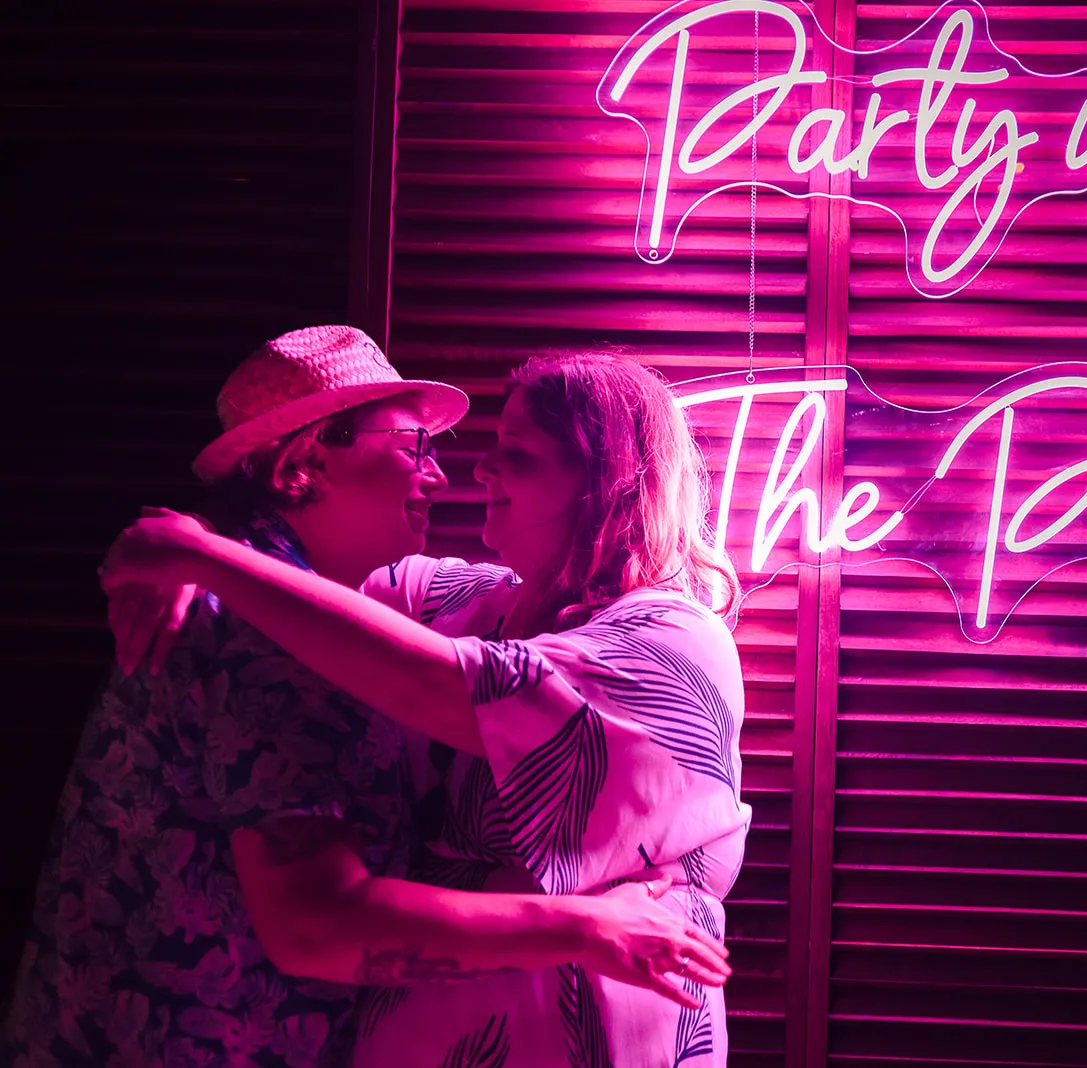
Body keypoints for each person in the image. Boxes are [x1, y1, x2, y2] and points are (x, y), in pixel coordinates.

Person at [4, 328, 727, 1068]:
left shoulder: (666, 638)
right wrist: (201, 545)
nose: (460, 473)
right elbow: (316, 921)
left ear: (607, 478)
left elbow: (445, 681)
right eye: (416, 446)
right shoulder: (293, 623)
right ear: (307, 459)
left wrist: (203, 550)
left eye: (517, 453)